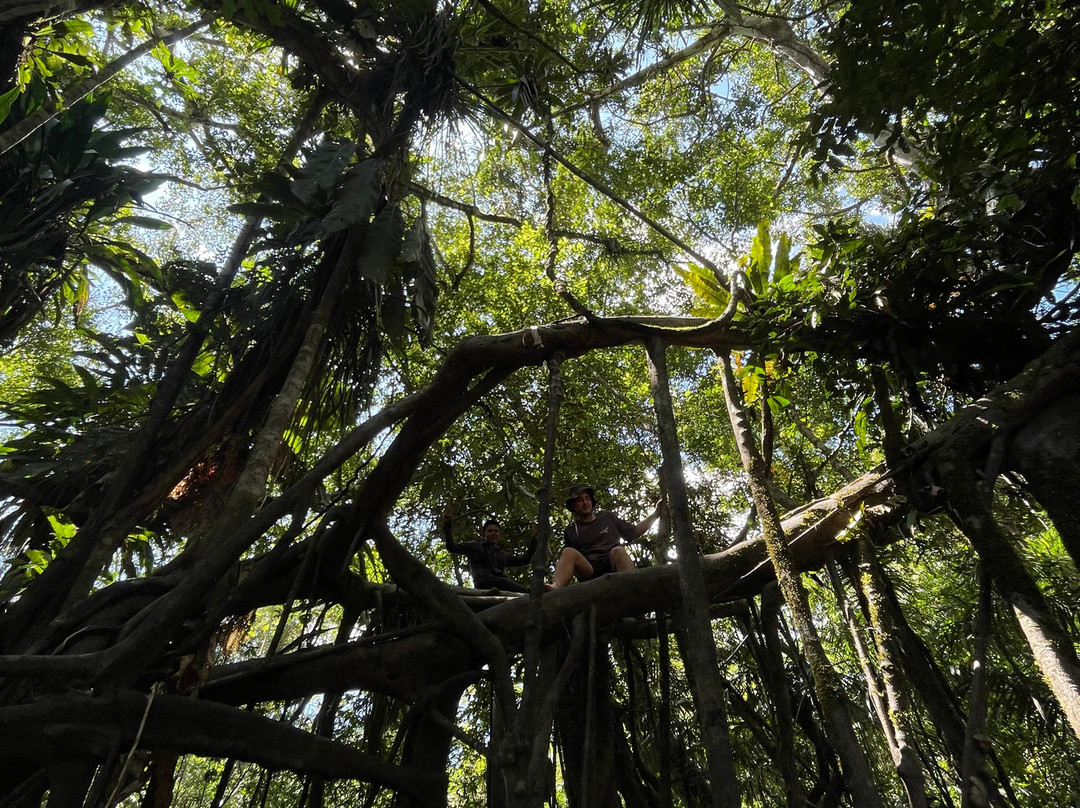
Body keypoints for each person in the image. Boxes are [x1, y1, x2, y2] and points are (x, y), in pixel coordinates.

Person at [545, 483, 665, 590]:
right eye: (579, 500)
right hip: (589, 570)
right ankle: (556, 586)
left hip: (612, 564)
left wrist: (656, 514)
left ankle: (634, 590)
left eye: (587, 498)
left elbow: (633, 532)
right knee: (568, 552)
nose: (585, 503)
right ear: (573, 506)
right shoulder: (570, 530)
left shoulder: (607, 518)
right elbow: (570, 563)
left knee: (618, 551)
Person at [441, 507, 537, 593]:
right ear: (483, 534)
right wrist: (448, 524)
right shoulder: (475, 546)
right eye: (490, 531)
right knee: (503, 582)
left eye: (496, 531)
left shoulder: (503, 555)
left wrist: (534, 539)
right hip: (484, 583)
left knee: (504, 582)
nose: (493, 533)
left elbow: (524, 560)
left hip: (501, 584)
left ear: (500, 535)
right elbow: (451, 547)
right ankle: (530, 593)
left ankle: (530, 592)